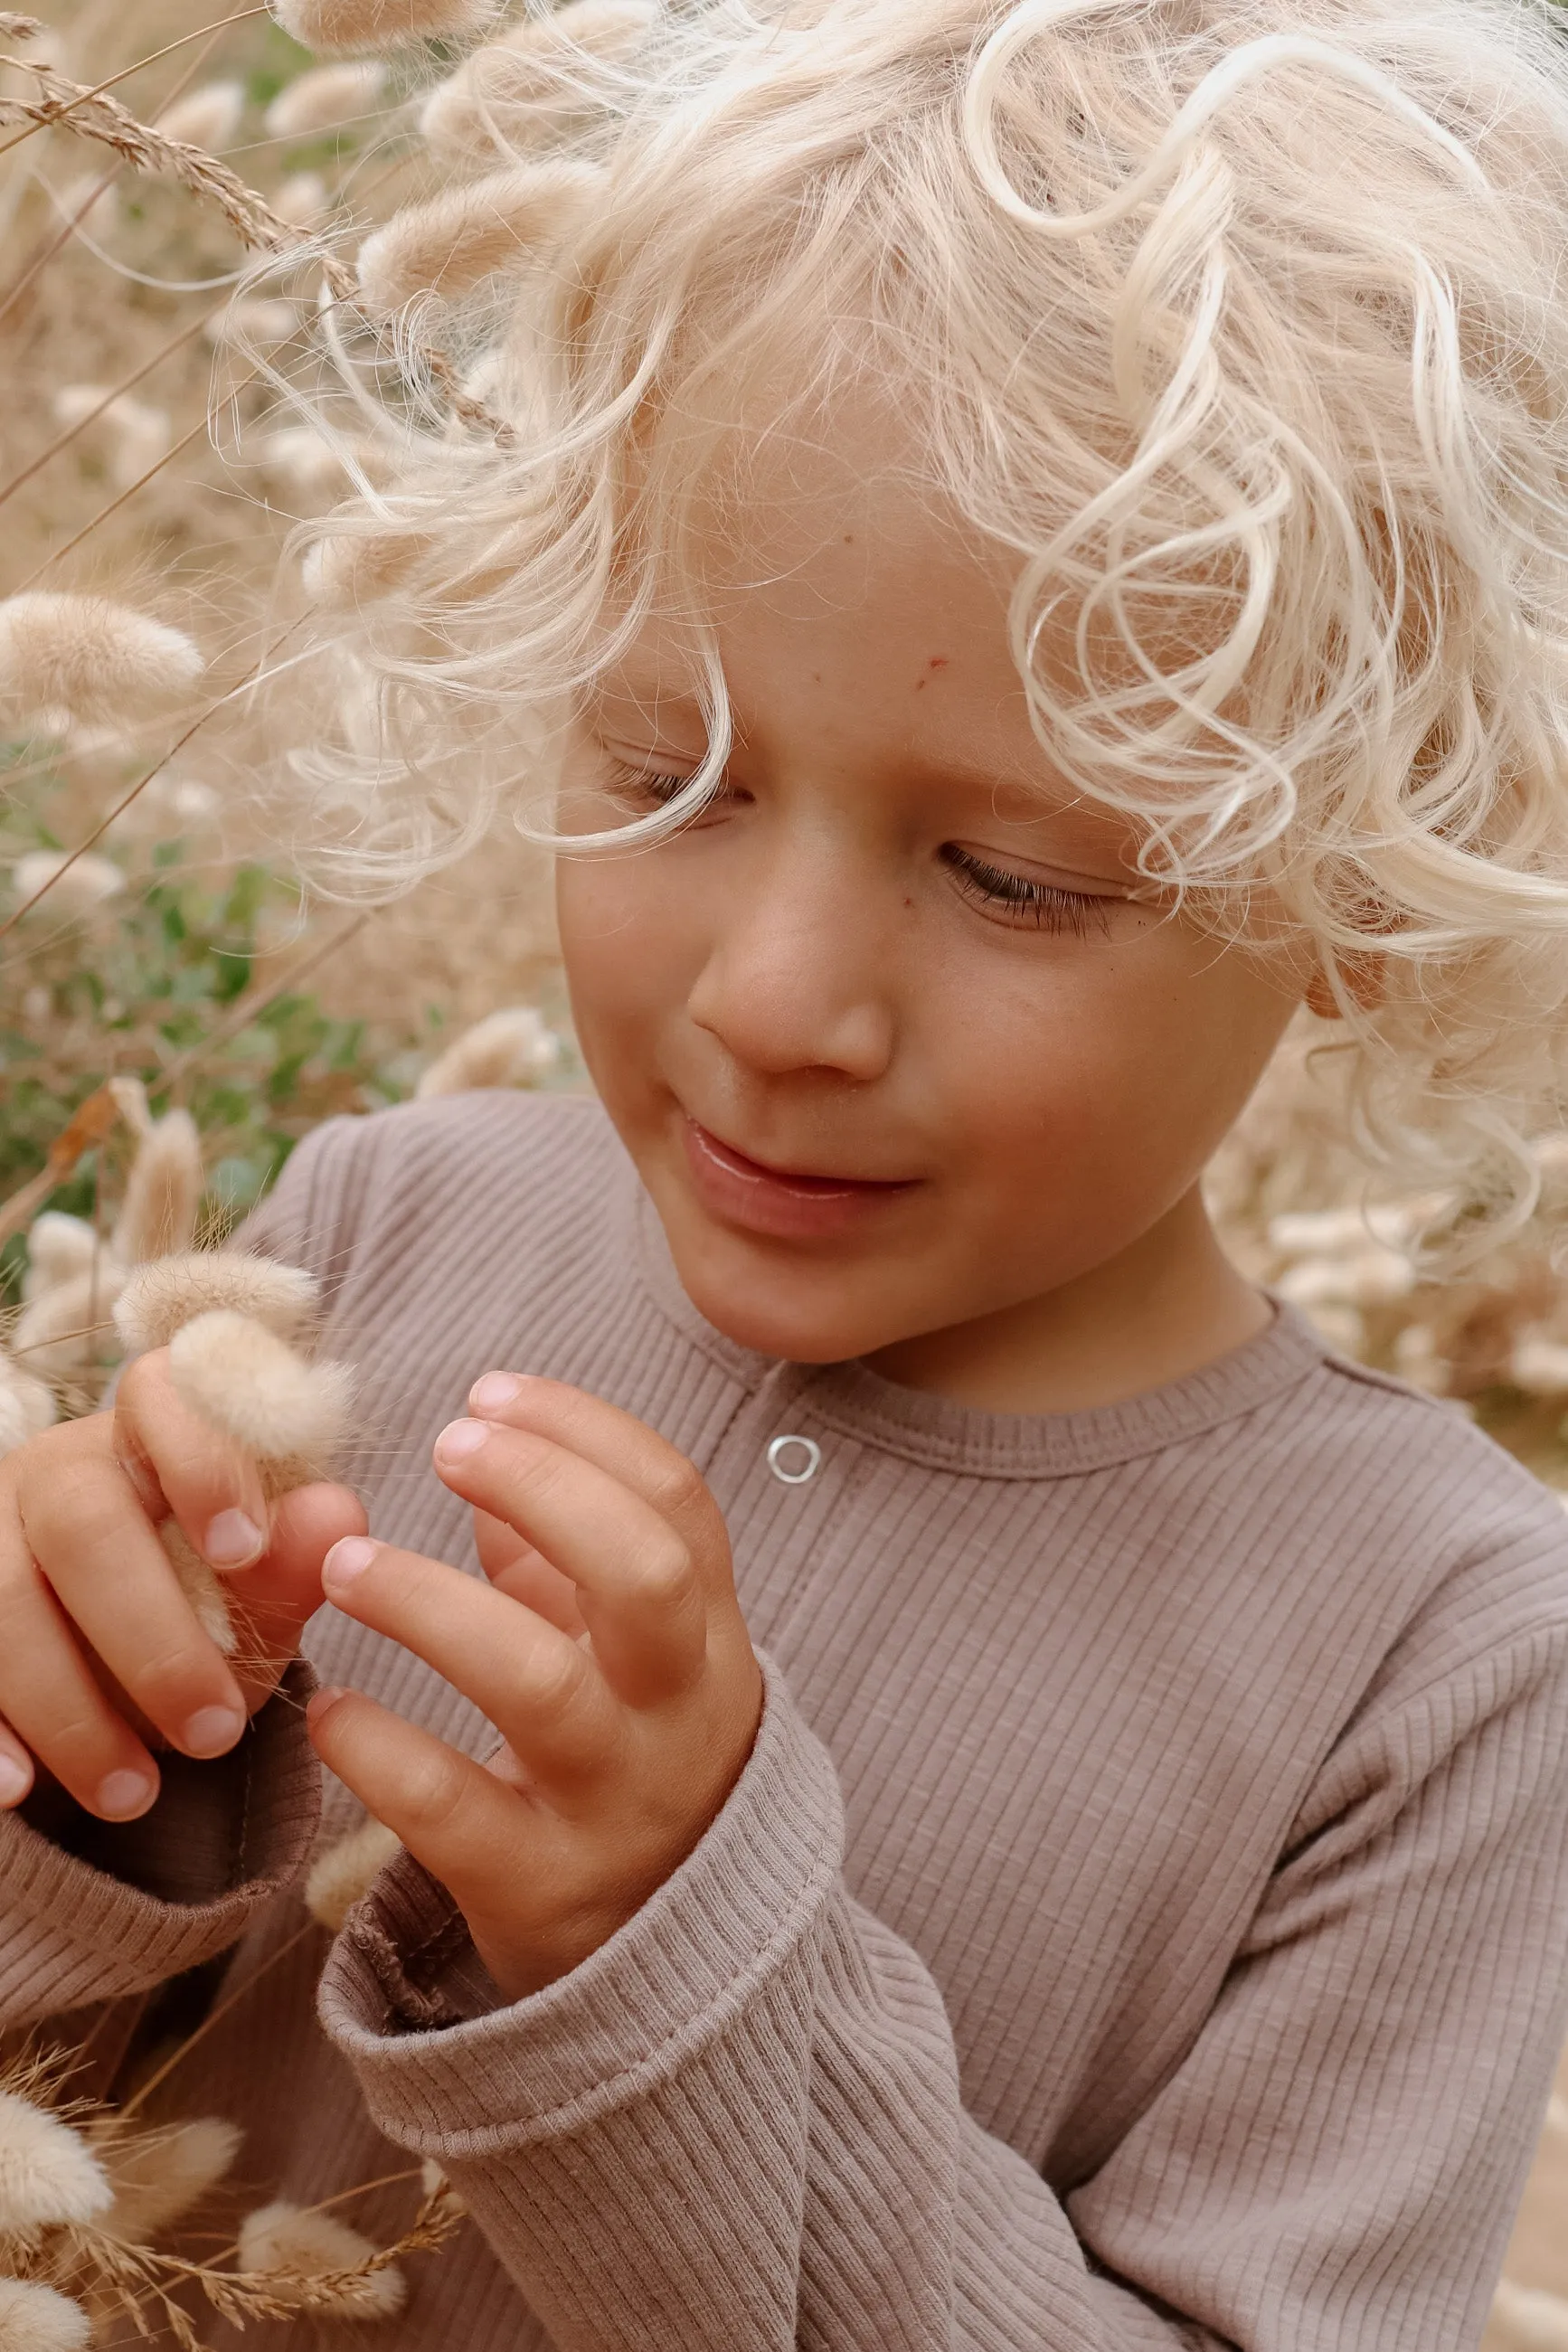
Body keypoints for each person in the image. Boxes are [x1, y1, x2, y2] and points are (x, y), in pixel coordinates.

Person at [5, 0, 1568, 2343]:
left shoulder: (1441, 1656)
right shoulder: (356, 1242)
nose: (773, 1001)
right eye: (672, 770)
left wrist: (674, 1961)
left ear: (1363, 882)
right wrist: (69, 1773)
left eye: (1017, 878)